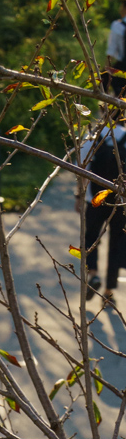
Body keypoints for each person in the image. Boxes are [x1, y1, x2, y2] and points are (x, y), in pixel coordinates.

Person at [76, 111, 126, 302]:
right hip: (120, 202)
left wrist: (79, 196)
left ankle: (93, 274)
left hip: (95, 200)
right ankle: (109, 291)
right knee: (117, 242)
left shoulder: (91, 137)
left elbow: (80, 168)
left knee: (91, 238)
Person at [106, 0, 126, 97]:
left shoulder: (117, 26)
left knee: (119, 99)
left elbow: (111, 51)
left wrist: (107, 70)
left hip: (123, 69)